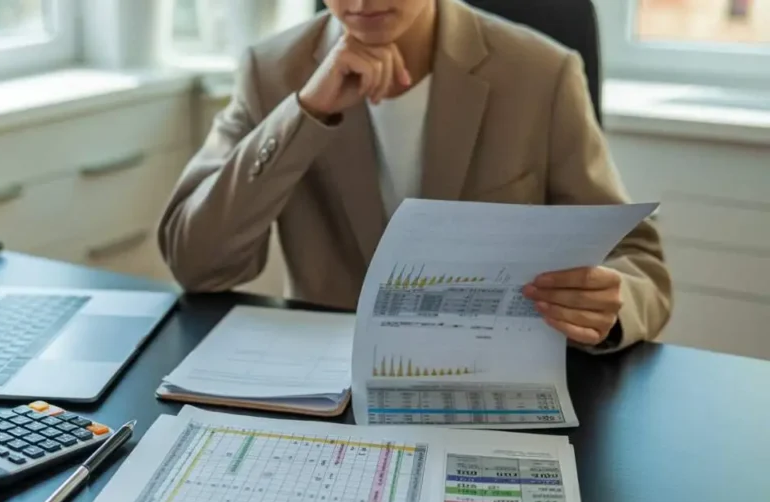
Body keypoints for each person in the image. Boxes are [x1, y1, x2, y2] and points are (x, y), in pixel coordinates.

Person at [158, 0, 672, 352]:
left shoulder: (542, 73)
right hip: (330, 390)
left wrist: (612, 304)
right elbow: (195, 263)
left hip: (492, 383)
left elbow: (640, 263)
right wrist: (306, 113)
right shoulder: (271, 71)